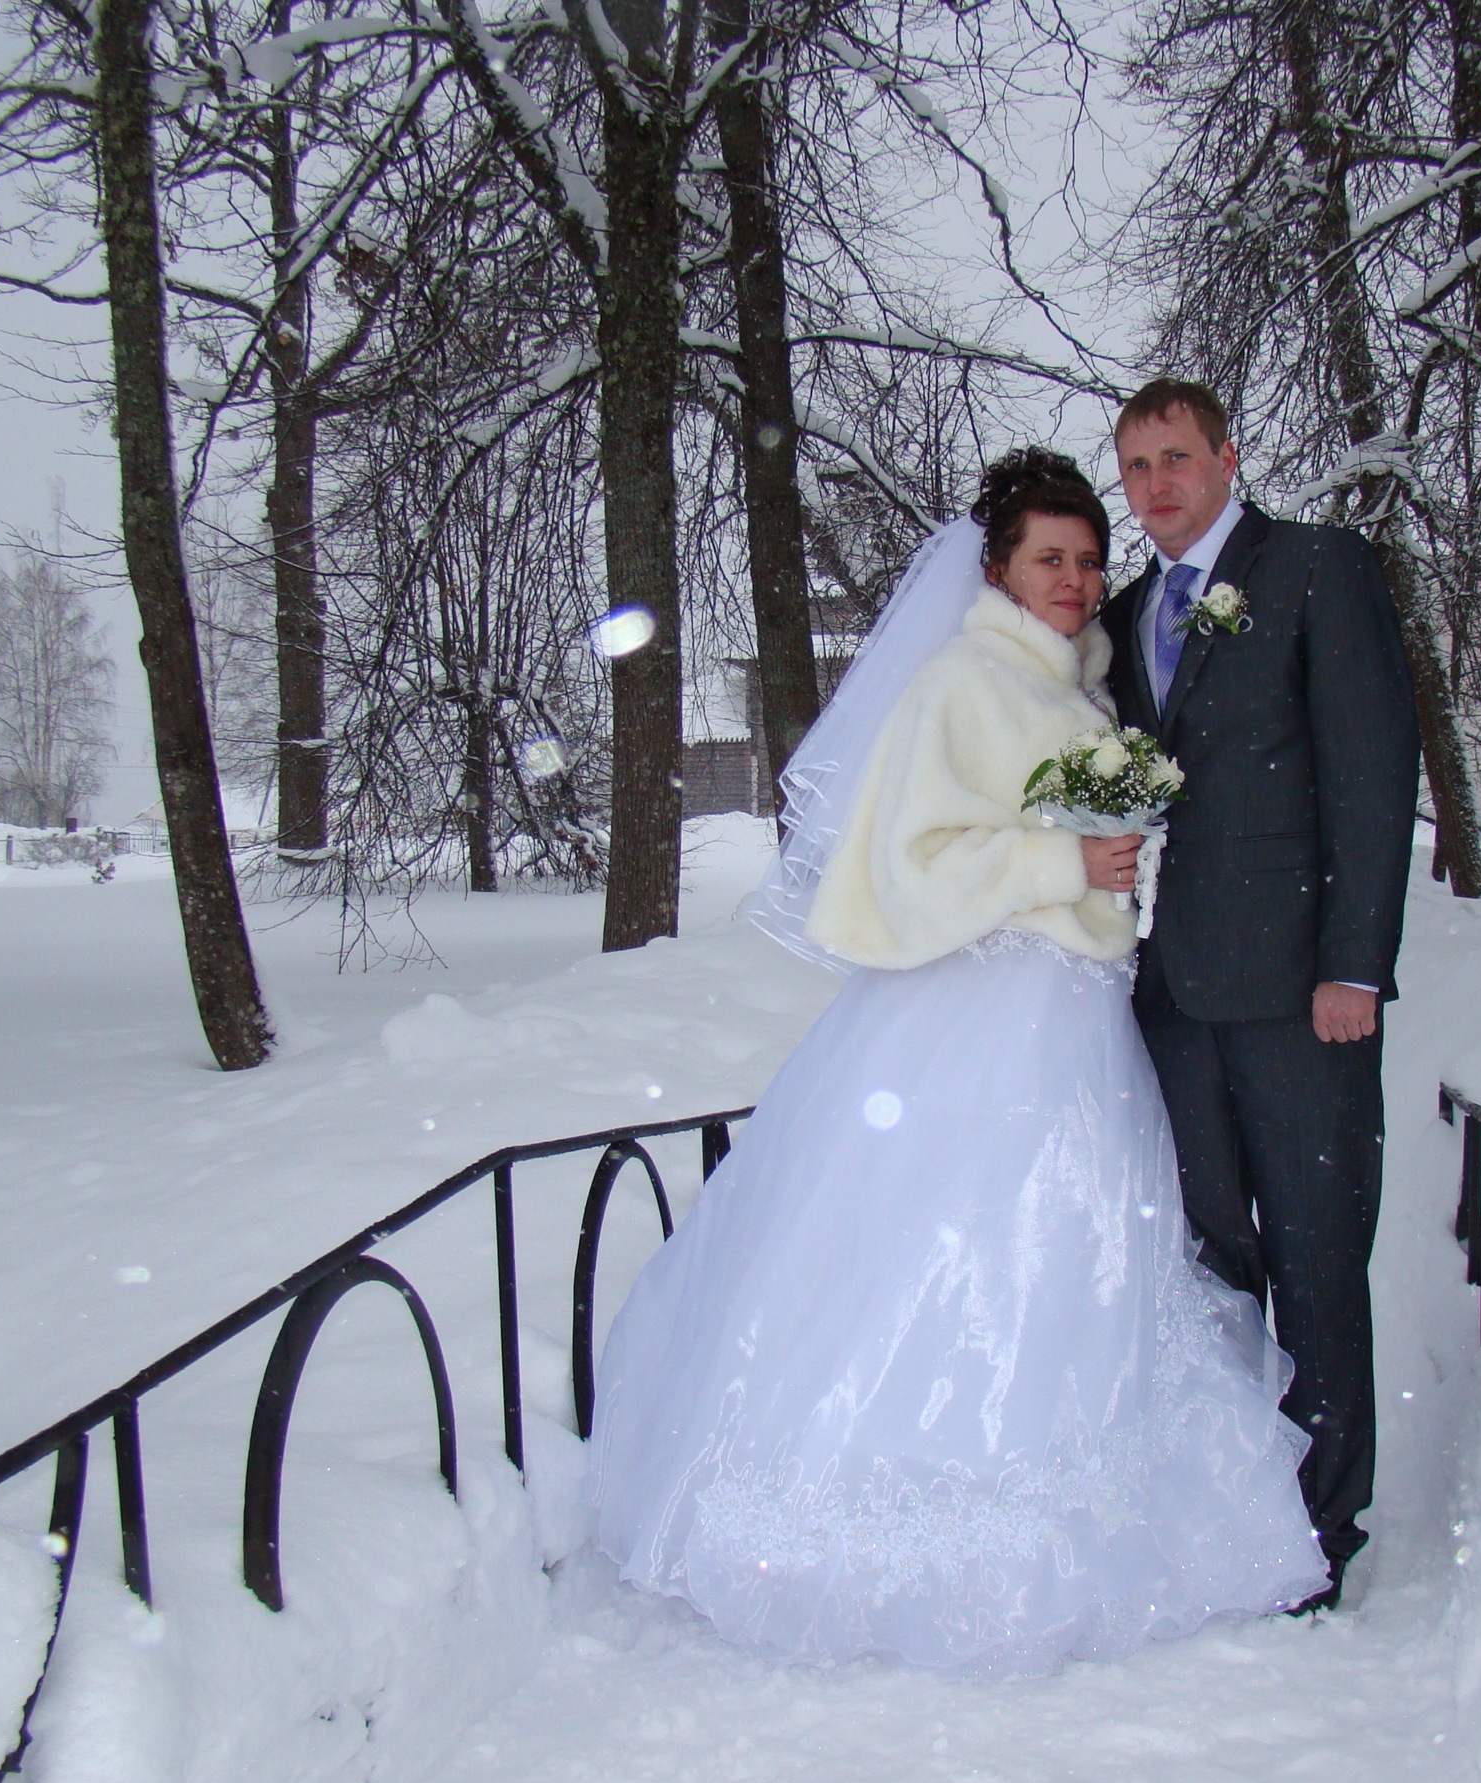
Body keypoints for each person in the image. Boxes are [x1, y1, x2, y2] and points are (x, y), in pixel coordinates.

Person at [586, 449, 1329, 1674]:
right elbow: (902, 868)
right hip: (980, 1017)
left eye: (1087, 560)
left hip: (1079, 1019)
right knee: (956, 1253)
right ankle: (899, 1524)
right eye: (1049, 559)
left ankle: (1083, 1506)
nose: (1074, 580)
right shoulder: (961, 682)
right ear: (996, 570)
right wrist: (1057, 864)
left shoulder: (1082, 688)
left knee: (1080, 1254)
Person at [1101, 380, 1421, 1612]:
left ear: (1228, 459)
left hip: (1301, 994)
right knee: (1211, 1266)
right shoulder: (1128, 615)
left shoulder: (1315, 570)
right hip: (1173, 997)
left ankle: (1325, 1535)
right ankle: (1237, 1511)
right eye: (1137, 465)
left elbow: (1371, 770)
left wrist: (1355, 964)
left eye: (1177, 457)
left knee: (1316, 1258)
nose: (1157, 485)